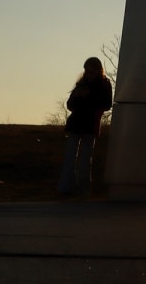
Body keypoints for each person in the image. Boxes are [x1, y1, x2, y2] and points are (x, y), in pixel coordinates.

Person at [58, 56, 113, 195]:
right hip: (76, 123)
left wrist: (88, 98)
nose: (88, 74)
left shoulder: (104, 84)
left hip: (90, 124)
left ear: (98, 71)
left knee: (85, 159)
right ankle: (66, 187)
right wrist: (78, 96)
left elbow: (107, 104)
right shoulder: (81, 84)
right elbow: (70, 105)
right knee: (70, 157)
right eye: (87, 71)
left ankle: (82, 189)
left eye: (91, 71)